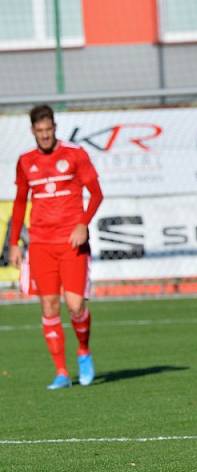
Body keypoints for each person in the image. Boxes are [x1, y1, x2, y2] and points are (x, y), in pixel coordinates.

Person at [8, 104, 104, 389]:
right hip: (40, 244)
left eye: (49, 130)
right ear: (33, 131)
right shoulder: (25, 161)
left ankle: (83, 351)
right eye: (40, 131)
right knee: (49, 306)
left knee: (75, 306)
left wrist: (83, 223)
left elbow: (96, 194)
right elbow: (19, 202)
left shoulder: (74, 155)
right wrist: (14, 242)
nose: (45, 135)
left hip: (71, 243)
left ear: (55, 128)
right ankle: (62, 372)